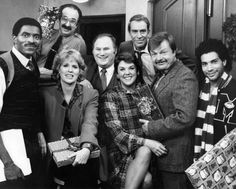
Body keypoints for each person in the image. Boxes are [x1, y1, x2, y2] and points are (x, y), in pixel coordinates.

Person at [139, 32, 198, 189]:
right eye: (154, 54)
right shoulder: (162, 74)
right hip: (162, 157)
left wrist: (150, 128)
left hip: (176, 160)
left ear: (174, 52)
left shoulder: (184, 76)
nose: (159, 58)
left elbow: (185, 117)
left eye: (163, 52)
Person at [100, 52, 167, 189]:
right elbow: (119, 136)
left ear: (137, 72)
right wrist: (147, 142)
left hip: (147, 156)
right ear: (117, 75)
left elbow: (156, 124)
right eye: (122, 69)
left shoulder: (145, 93)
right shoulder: (111, 96)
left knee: (148, 179)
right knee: (145, 163)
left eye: (131, 68)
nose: (127, 73)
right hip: (121, 156)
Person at [40, 49, 99, 189]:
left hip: (82, 156)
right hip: (54, 158)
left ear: (80, 71)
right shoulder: (45, 94)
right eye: (65, 65)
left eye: (75, 66)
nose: (70, 70)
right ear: (58, 69)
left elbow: (90, 122)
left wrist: (86, 148)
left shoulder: (90, 94)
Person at [0, 17, 46, 188]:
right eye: (25, 35)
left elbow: (31, 103)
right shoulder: (3, 65)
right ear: (14, 38)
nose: (31, 40)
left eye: (36, 37)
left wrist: (39, 131)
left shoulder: (32, 63)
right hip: (8, 147)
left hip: (30, 143)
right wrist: (8, 163)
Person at [119, 14, 198, 85]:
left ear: (148, 32)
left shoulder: (159, 45)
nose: (139, 36)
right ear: (129, 32)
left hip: (161, 89)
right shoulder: (124, 47)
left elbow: (191, 65)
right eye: (135, 31)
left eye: (142, 31)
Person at [194, 39, 236, 160]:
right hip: (200, 160)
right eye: (204, 64)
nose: (209, 68)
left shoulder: (234, 88)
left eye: (214, 62)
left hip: (228, 161)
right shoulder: (200, 89)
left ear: (224, 61)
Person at [37, 3, 87, 80]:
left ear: (76, 25)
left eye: (72, 21)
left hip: (57, 85)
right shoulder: (47, 35)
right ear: (59, 20)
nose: (67, 24)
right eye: (64, 19)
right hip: (36, 82)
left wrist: (52, 73)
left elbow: (79, 72)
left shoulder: (79, 43)